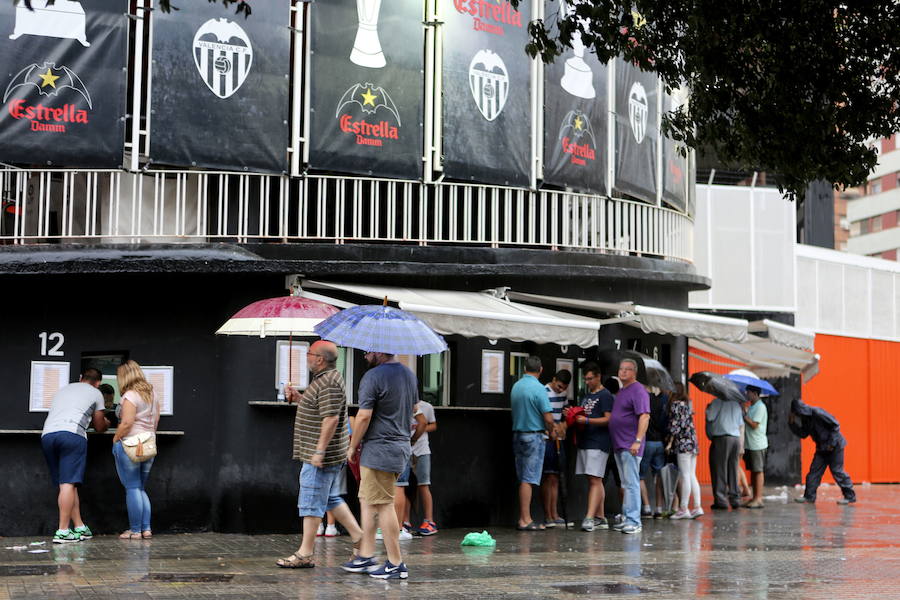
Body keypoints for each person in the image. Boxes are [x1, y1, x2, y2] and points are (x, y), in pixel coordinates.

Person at [277, 341, 362, 568]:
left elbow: (331, 418)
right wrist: (298, 398)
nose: (306, 357)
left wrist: (319, 451)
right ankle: (360, 538)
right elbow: (320, 409)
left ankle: (305, 553)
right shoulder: (324, 380)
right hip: (319, 453)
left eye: (309, 354)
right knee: (329, 499)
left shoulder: (330, 382)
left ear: (320, 359)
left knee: (311, 501)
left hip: (322, 455)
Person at [343, 351, 418, 580]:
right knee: (367, 499)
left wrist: (352, 446)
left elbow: (364, 416)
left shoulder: (373, 376)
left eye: (367, 351)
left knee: (383, 504)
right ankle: (365, 555)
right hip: (399, 446)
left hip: (380, 448)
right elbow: (414, 408)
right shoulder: (408, 374)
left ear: (378, 350)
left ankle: (396, 563)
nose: (365, 356)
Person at [40, 368, 109, 543]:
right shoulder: (96, 393)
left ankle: (79, 527)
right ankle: (63, 531)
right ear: (98, 383)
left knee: (67, 485)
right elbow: (99, 426)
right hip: (72, 435)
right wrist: (107, 422)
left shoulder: (64, 389)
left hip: (47, 436)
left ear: (80, 378)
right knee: (68, 484)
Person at [112, 360, 160, 540]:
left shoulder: (130, 395)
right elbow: (155, 421)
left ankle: (134, 530)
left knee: (132, 488)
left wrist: (115, 439)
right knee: (140, 488)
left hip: (130, 444)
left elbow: (126, 423)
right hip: (149, 443)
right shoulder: (152, 394)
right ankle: (146, 529)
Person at [509, 355, 556, 531]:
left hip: (517, 434)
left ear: (524, 369)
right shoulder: (539, 389)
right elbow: (548, 417)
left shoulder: (516, 386)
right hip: (533, 436)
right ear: (541, 370)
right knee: (528, 479)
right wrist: (551, 431)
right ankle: (525, 519)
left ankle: (524, 517)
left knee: (523, 477)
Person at [569, 364, 613, 532]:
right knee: (594, 479)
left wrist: (587, 421)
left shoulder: (606, 396)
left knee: (595, 479)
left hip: (598, 441)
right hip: (586, 440)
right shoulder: (587, 396)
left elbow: (608, 419)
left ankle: (589, 517)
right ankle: (600, 518)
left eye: (589, 378)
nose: (587, 382)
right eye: (585, 379)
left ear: (598, 376)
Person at [608, 359, 650, 534]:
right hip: (620, 444)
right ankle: (627, 518)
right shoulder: (623, 391)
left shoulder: (638, 390)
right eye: (621, 368)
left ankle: (634, 521)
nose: (623, 372)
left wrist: (637, 440)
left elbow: (644, 416)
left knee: (631, 483)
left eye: (627, 369)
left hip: (630, 445)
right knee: (626, 483)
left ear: (635, 373)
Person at [789, 399, 856, 505]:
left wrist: (831, 444)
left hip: (835, 446)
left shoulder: (817, 412)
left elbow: (835, 425)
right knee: (813, 472)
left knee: (837, 471)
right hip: (822, 447)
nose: (798, 415)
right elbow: (803, 434)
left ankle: (850, 496)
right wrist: (792, 424)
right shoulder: (805, 418)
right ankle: (809, 497)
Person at [540, 369, 571, 528]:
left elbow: (566, 414)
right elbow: (541, 416)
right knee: (548, 477)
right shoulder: (544, 392)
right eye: (559, 386)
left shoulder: (564, 395)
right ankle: (548, 515)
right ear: (553, 379)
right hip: (547, 440)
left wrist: (563, 426)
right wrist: (549, 430)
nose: (561, 390)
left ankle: (555, 514)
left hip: (559, 439)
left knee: (556, 477)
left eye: (564, 388)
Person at [666, 383, 702, 519]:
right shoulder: (687, 405)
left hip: (682, 444)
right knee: (692, 475)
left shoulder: (676, 405)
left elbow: (675, 428)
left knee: (685, 475)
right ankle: (697, 507)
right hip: (692, 443)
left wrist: (669, 440)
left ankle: (683, 508)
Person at [405, 399, 439, 536]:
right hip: (405, 450)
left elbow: (433, 425)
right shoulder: (402, 403)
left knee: (423, 484)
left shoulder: (426, 406)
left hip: (422, 449)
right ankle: (405, 522)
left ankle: (429, 521)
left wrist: (420, 427)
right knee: (404, 486)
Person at [392, 406, 426, 539]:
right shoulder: (410, 397)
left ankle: (381, 529)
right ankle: (399, 529)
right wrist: (412, 440)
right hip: (403, 444)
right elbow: (422, 422)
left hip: (383, 444)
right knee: (400, 486)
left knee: (382, 487)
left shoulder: (382, 390)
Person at [705, 390, 743, 510]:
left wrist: (708, 408)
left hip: (722, 438)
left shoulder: (717, 402)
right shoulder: (736, 404)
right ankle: (735, 498)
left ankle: (721, 500)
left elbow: (709, 417)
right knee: (733, 468)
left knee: (719, 468)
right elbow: (740, 424)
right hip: (735, 438)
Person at [640, 387, 669, 518]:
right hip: (660, 443)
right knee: (659, 476)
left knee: (640, 476)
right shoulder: (664, 402)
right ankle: (658, 508)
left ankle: (646, 507)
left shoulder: (645, 400)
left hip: (647, 442)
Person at [742, 386, 768, 508]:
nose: (747, 394)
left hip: (757, 444)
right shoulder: (752, 406)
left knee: (758, 471)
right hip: (750, 443)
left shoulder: (760, 407)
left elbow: (754, 425)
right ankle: (754, 497)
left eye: (749, 392)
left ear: (755, 393)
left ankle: (758, 498)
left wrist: (744, 415)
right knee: (753, 471)